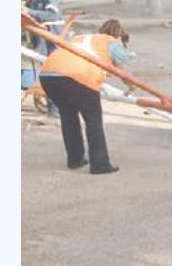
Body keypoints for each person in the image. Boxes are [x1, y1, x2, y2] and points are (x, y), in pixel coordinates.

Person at [38, 19, 132, 175]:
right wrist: (132, 86)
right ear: (119, 36)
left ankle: (75, 159)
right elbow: (124, 72)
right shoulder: (112, 42)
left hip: (49, 75)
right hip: (77, 75)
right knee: (93, 119)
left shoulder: (81, 38)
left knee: (68, 116)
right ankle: (100, 163)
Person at [22, 0, 65, 116]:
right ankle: (52, 107)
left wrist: (29, 11)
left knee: (53, 76)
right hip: (40, 45)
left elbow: (53, 15)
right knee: (46, 77)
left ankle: (55, 109)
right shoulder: (30, 2)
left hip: (53, 42)